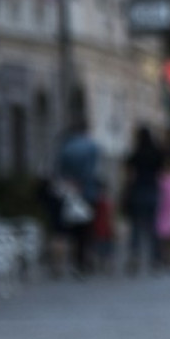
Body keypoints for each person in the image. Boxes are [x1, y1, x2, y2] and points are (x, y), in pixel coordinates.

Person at [54, 116, 105, 277]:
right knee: (87, 229)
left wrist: (71, 183)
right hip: (88, 191)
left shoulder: (66, 146)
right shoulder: (91, 146)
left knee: (72, 228)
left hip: (70, 191)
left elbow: (60, 170)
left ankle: (74, 261)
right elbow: (93, 170)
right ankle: (85, 261)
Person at [121, 126, 165, 275]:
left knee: (136, 227)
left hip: (137, 191)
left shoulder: (135, 154)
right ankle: (155, 259)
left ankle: (135, 257)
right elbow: (161, 173)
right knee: (153, 227)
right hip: (152, 190)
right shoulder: (156, 153)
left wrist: (126, 192)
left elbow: (129, 175)